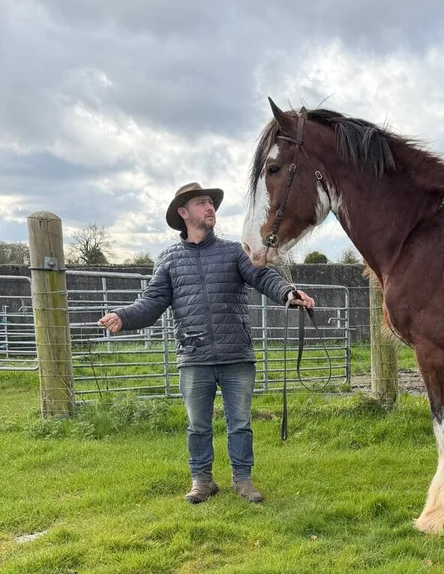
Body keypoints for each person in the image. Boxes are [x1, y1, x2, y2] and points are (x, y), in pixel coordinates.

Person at [98, 182, 314, 504]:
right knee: (198, 425)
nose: (210, 207)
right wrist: (123, 316)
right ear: (183, 213)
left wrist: (287, 292)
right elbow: (152, 302)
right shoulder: (169, 259)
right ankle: (202, 480)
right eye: (202, 203)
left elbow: (262, 277)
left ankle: (243, 480)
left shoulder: (233, 251)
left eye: (211, 202)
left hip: (235, 353)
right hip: (194, 354)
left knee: (240, 423)